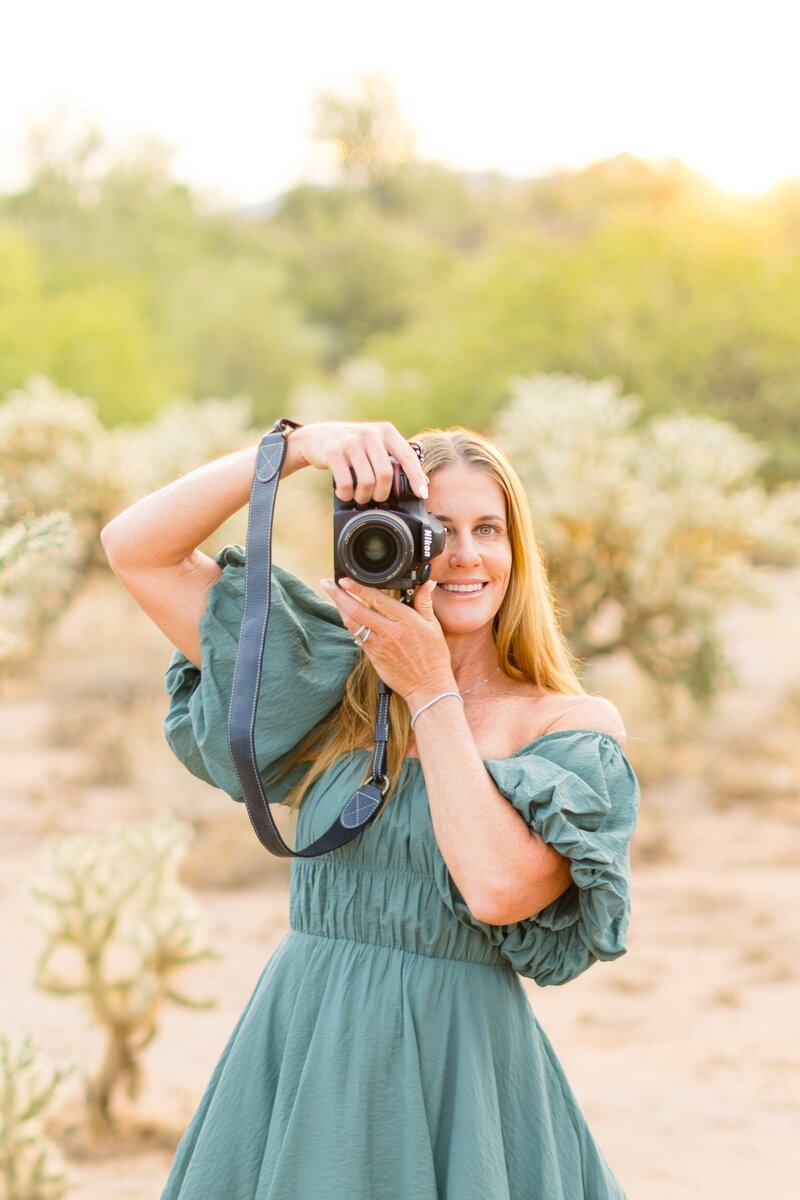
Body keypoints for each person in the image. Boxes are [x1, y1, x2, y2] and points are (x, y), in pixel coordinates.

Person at [101, 419, 640, 1200]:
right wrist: (298, 447)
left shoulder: (565, 727)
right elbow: (136, 549)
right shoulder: (332, 678)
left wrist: (430, 690)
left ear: (518, 553)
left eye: (487, 528)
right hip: (302, 1043)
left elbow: (497, 888)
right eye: (434, 528)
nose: (462, 555)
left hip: (461, 1078)